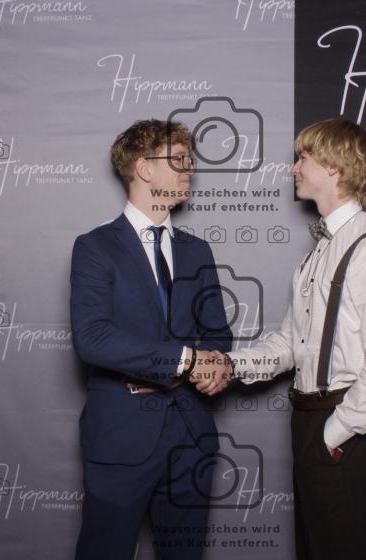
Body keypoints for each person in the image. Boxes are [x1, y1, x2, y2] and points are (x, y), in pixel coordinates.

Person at [204, 118, 366, 559]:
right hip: (310, 422)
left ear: (334, 167)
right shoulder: (319, 251)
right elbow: (289, 344)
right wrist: (231, 365)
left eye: (303, 158)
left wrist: (333, 434)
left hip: (345, 427)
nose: (294, 168)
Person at [69, 119, 233, 559]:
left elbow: (218, 334)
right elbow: (92, 338)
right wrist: (185, 361)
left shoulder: (198, 251)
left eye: (190, 160)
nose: (190, 169)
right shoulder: (95, 247)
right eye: (178, 160)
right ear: (143, 168)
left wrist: (215, 364)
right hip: (121, 436)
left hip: (191, 434)